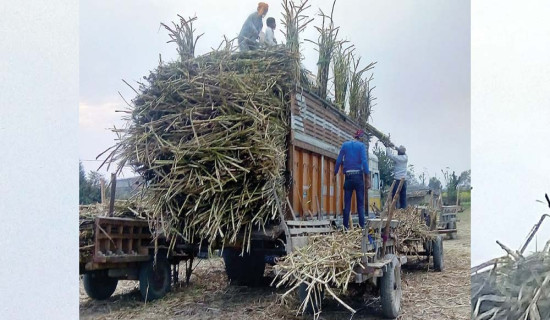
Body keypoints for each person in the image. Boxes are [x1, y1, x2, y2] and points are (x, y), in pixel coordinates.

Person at [334, 129, 371, 229]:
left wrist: (335, 172)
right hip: (358, 177)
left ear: (353, 135)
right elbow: (364, 161)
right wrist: (367, 177)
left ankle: (345, 227)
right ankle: (362, 227)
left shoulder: (345, 145)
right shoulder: (361, 146)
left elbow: (339, 160)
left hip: (348, 177)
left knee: (347, 204)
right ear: (361, 138)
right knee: (360, 204)